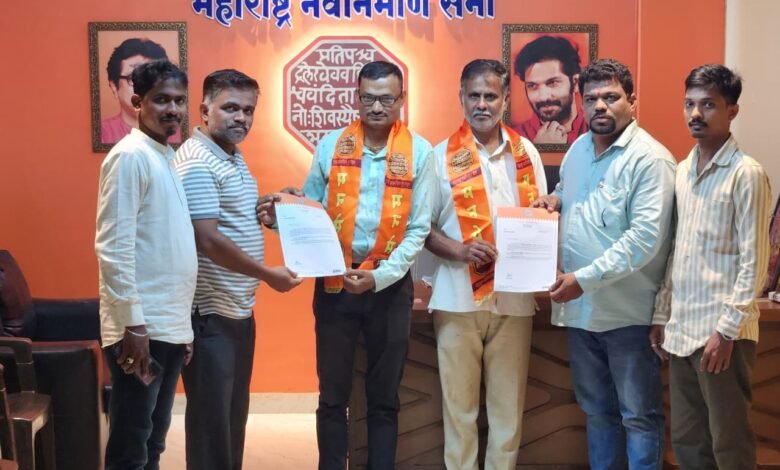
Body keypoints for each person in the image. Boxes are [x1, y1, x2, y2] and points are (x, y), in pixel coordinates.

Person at [533, 59, 676, 470]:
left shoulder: (650, 160)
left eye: (611, 97)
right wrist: (555, 200)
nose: (600, 105)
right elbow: (568, 189)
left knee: (638, 416)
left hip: (627, 316)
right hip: (582, 314)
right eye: (591, 98)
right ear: (581, 103)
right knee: (597, 413)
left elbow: (644, 239)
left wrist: (583, 279)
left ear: (632, 101)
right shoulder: (579, 149)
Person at [294, 60, 433, 469]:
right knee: (332, 396)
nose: (376, 107)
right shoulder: (330, 145)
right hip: (335, 283)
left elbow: (419, 228)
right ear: (356, 98)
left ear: (402, 100)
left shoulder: (420, 152)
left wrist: (379, 277)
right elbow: (310, 210)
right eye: (368, 98)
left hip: (389, 286)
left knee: (384, 398)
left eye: (386, 99)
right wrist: (284, 211)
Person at [174, 69, 302, 470]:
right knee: (212, 430)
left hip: (236, 311)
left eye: (248, 110)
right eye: (230, 107)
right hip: (210, 316)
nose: (241, 117)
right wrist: (267, 273)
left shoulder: (229, 154)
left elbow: (227, 220)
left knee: (230, 423)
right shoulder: (197, 161)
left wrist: (270, 208)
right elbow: (207, 240)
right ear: (204, 110)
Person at [425, 59, 547, 469]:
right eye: (474, 95)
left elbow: (539, 218)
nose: (482, 104)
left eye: (490, 95)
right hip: (458, 299)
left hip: (514, 301)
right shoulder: (439, 156)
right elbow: (422, 229)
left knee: (508, 412)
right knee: (459, 412)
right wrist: (461, 251)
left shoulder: (527, 153)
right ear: (461, 98)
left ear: (505, 99)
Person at [651, 64, 771, 470]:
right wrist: (662, 314)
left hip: (722, 335)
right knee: (687, 440)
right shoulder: (684, 171)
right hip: (682, 330)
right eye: (689, 104)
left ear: (732, 110)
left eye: (708, 105)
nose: (696, 114)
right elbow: (677, 250)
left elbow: (754, 262)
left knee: (728, 441)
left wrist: (726, 331)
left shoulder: (746, 174)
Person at [95, 59, 195, 470]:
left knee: (153, 439)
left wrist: (183, 328)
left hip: (166, 325)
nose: (173, 109)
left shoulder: (165, 155)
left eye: (179, 101)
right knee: (131, 443)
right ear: (137, 102)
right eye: (161, 100)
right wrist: (133, 325)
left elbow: (166, 246)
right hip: (140, 329)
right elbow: (113, 247)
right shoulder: (130, 157)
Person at [512, 35, 588, 145]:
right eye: (532, 86)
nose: (543, 97)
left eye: (552, 83)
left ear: (575, 83)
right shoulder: (514, 138)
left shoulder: (598, 133)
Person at [101, 38, 173, 144]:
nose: (145, 85)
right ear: (114, 87)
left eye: (153, 77)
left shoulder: (175, 130)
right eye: (133, 77)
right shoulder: (103, 132)